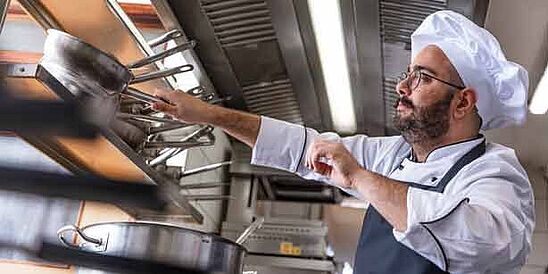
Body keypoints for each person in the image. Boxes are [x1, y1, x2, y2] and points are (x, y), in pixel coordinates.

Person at [152, 10, 534, 274]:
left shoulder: (495, 173)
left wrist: (360, 179)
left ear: (463, 102)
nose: (401, 87)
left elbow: (483, 243)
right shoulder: (398, 155)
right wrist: (205, 114)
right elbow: (305, 149)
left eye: (422, 78)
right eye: (407, 74)